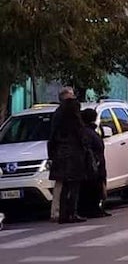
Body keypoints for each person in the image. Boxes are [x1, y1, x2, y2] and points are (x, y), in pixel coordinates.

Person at [49, 98, 88, 224]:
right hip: (74, 155)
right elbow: (82, 138)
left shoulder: (58, 121)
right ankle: (72, 213)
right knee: (74, 186)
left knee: (64, 186)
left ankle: (63, 214)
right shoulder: (76, 122)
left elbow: (51, 140)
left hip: (60, 155)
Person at [48, 87, 75, 222]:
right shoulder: (62, 114)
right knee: (62, 183)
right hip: (63, 151)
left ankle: (58, 211)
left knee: (61, 183)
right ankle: (58, 211)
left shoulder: (59, 113)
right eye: (71, 97)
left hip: (60, 151)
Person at [78, 108, 110, 218]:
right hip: (93, 164)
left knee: (97, 187)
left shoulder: (90, 131)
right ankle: (93, 209)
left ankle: (97, 208)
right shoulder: (88, 132)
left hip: (96, 163)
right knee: (93, 187)